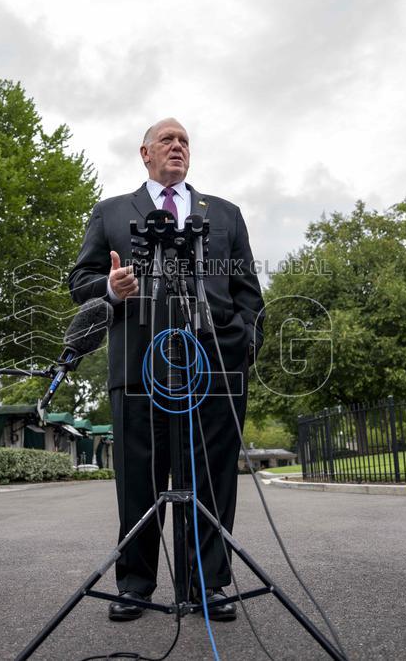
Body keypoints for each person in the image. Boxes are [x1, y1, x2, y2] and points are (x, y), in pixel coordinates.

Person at [69, 118, 264, 621]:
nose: (177, 147)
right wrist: (111, 288)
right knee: (139, 479)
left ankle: (207, 586)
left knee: (211, 481)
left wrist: (244, 343)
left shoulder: (224, 214)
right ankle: (134, 585)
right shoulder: (112, 211)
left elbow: (249, 295)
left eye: (184, 141)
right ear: (145, 153)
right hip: (139, 366)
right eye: (167, 140)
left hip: (214, 367)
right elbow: (79, 282)